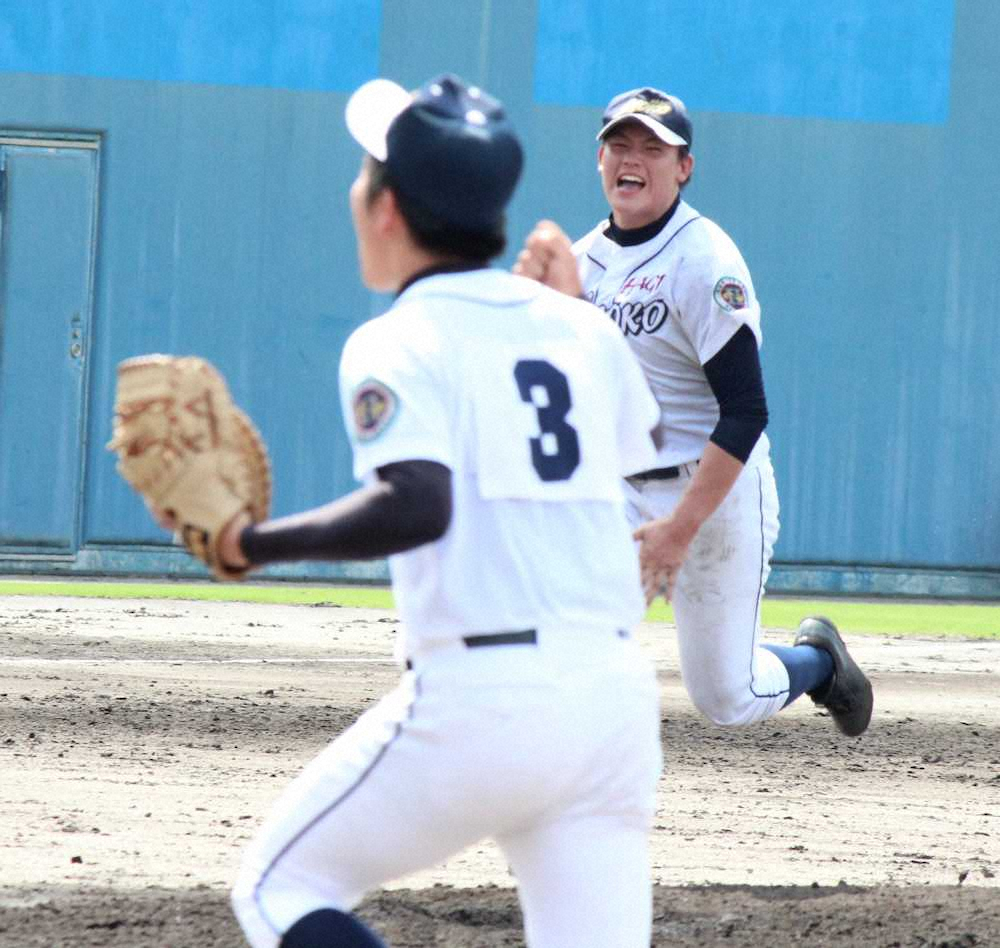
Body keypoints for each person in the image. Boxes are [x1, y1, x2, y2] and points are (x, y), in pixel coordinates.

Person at [205, 74, 666, 948]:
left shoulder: (396, 338)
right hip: (612, 702)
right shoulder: (581, 328)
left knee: (280, 885)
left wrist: (251, 543)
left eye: (364, 173)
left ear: (386, 211)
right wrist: (568, 314)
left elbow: (418, 504)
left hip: (485, 701)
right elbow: (636, 452)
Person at [515, 86, 873, 737]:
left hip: (713, 491)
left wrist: (679, 529)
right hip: (624, 492)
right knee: (555, 632)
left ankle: (819, 663)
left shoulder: (702, 259)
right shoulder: (584, 260)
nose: (634, 157)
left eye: (654, 147)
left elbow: (745, 411)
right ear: (599, 159)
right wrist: (528, 312)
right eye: (620, 143)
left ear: (684, 167)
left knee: (726, 697)